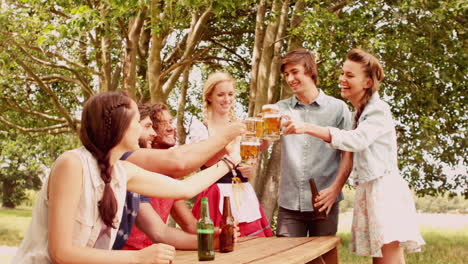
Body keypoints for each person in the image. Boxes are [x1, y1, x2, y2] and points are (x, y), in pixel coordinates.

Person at [13, 91, 245, 264]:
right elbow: (60, 252)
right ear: (119, 126)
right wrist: (138, 257)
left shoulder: (122, 171)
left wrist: (231, 160)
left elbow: (184, 189)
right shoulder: (72, 164)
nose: (150, 132)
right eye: (138, 123)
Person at [282, 49, 425, 262]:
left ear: (367, 82)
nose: (342, 79)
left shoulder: (377, 110)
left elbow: (356, 140)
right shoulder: (361, 111)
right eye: (342, 73)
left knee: (389, 259)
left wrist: (307, 127)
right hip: (371, 190)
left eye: (350, 75)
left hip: (384, 194)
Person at [117, 103, 228, 251]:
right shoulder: (131, 166)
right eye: (159, 124)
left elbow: (188, 225)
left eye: (170, 122)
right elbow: (180, 161)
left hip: (154, 255)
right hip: (128, 257)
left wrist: (219, 234)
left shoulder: (170, 177)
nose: (170, 128)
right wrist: (228, 144)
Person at [272, 48, 353, 237]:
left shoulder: (338, 109)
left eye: (295, 72)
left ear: (309, 70)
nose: (290, 78)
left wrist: (335, 190)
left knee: (324, 259)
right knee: (287, 259)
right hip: (289, 205)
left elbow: (348, 156)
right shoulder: (279, 109)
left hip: (325, 203)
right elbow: (263, 145)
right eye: (286, 74)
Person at [187, 72, 274, 237]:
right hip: (215, 194)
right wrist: (229, 143)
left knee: (253, 247)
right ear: (209, 97)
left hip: (242, 192)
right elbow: (204, 160)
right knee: (220, 245)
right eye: (220, 94)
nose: (226, 99)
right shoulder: (201, 128)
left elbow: (252, 157)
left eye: (230, 94)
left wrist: (250, 169)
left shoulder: (241, 126)